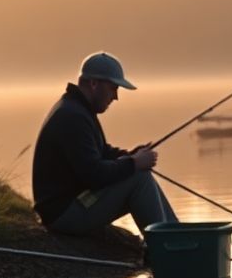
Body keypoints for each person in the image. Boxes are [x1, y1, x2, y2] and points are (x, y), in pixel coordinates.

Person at [32, 51, 177, 237]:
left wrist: (130, 155)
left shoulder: (78, 108)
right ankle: (168, 246)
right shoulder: (73, 116)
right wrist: (133, 163)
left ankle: (174, 237)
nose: (116, 97)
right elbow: (94, 174)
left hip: (72, 204)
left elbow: (99, 152)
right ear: (94, 84)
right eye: (113, 88)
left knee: (139, 172)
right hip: (63, 215)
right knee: (139, 179)